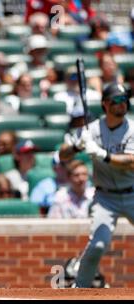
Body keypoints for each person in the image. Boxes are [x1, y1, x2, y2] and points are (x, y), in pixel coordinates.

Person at [59, 82, 134, 288]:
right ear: (105, 104)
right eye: (116, 100)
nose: (122, 104)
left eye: (124, 100)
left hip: (132, 193)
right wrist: (76, 145)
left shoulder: (132, 128)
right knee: (98, 245)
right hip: (105, 198)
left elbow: (131, 162)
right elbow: (62, 155)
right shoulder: (91, 129)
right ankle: (80, 288)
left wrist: (102, 154)